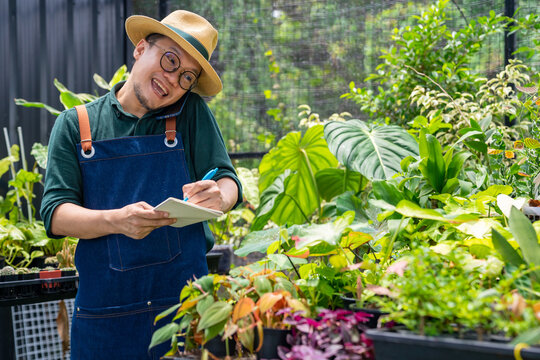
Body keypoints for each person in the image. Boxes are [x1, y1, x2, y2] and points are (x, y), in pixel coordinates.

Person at [40, 10, 242, 359]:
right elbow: (56, 214)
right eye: (169, 60)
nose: (172, 80)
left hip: (184, 314)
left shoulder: (190, 114)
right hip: (104, 322)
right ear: (140, 48)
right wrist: (116, 221)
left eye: (186, 77)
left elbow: (228, 181)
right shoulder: (77, 125)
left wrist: (219, 197)